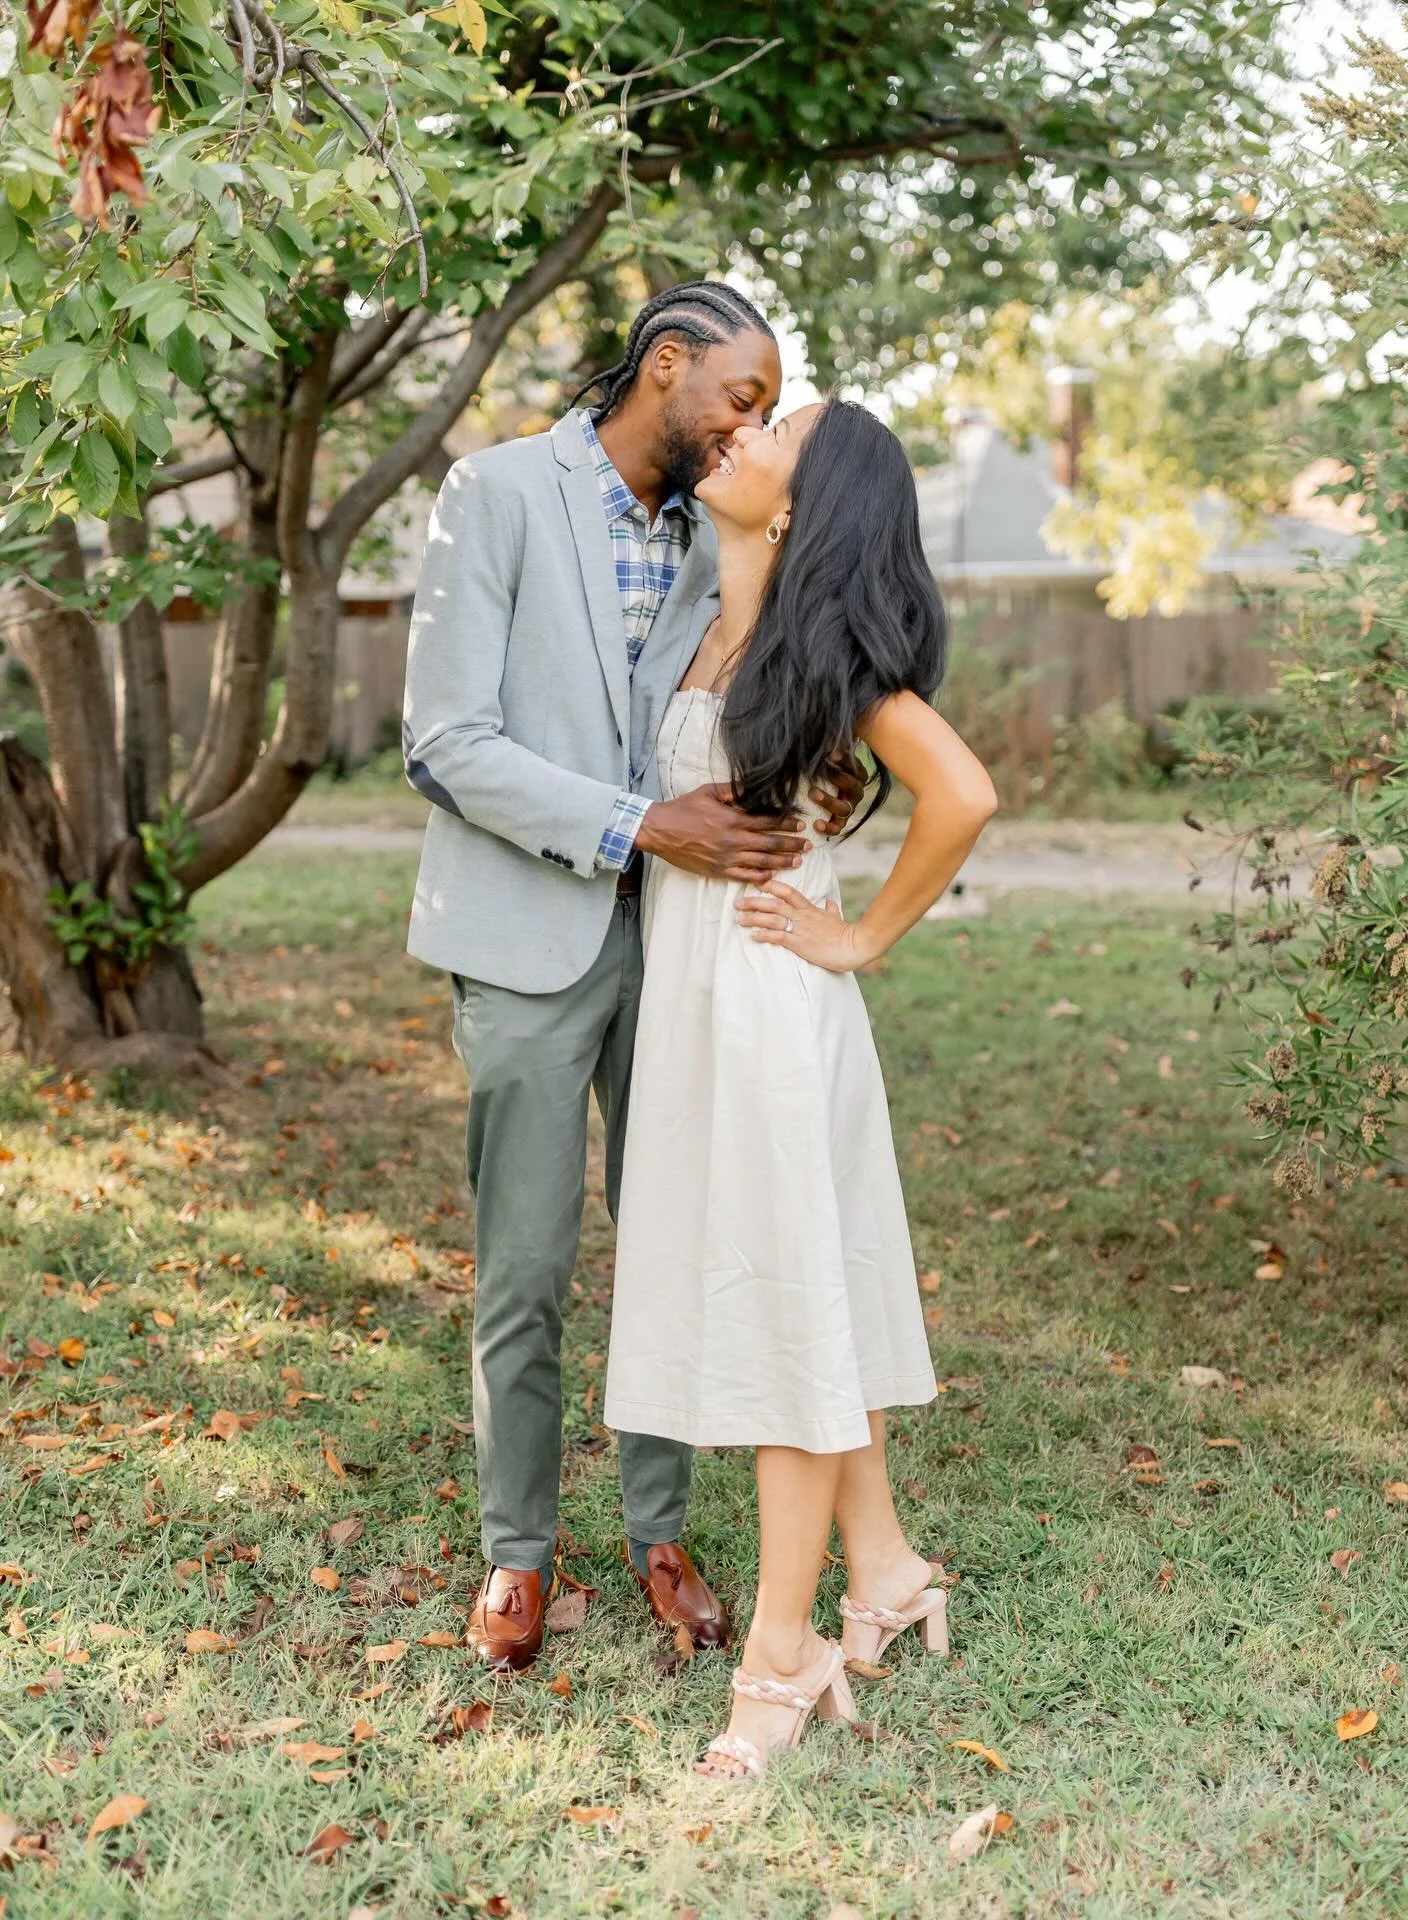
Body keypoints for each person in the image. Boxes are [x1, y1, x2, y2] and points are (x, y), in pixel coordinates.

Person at [401, 283, 860, 1674]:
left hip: (682, 948)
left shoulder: (726, 529)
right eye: (743, 392)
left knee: (671, 1244)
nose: (755, 422)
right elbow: (446, 739)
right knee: (527, 1267)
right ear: (667, 364)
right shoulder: (492, 494)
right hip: (524, 940)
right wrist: (642, 824)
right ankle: (517, 1555)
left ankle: (661, 1531)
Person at [604, 399, 999, 1779]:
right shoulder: (712, 618)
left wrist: (862, 937)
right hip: (705, 999)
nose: (739, 430)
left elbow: (963, 792)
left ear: (798, 504)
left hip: (772, 1000)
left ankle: (781, 1660)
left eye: (777, 428)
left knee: (783, 1319)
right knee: (807, 1288)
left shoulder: (818, 654)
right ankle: (882, 1569)